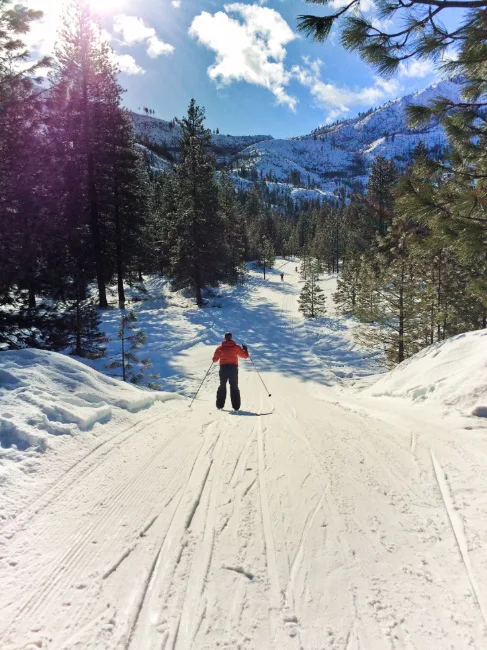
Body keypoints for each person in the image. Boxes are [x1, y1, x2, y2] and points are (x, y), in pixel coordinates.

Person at [212, 332, 249, 411]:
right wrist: (245, 349)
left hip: (223, 368)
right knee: (234, 386)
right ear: (231, 338)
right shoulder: (236, 347)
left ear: (225, 338)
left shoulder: (220, 348)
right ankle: (236, 406)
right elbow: (245, 356)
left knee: (222, 385)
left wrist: (215, 357)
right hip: (233, 368)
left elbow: (214, 360)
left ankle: (220, 405)